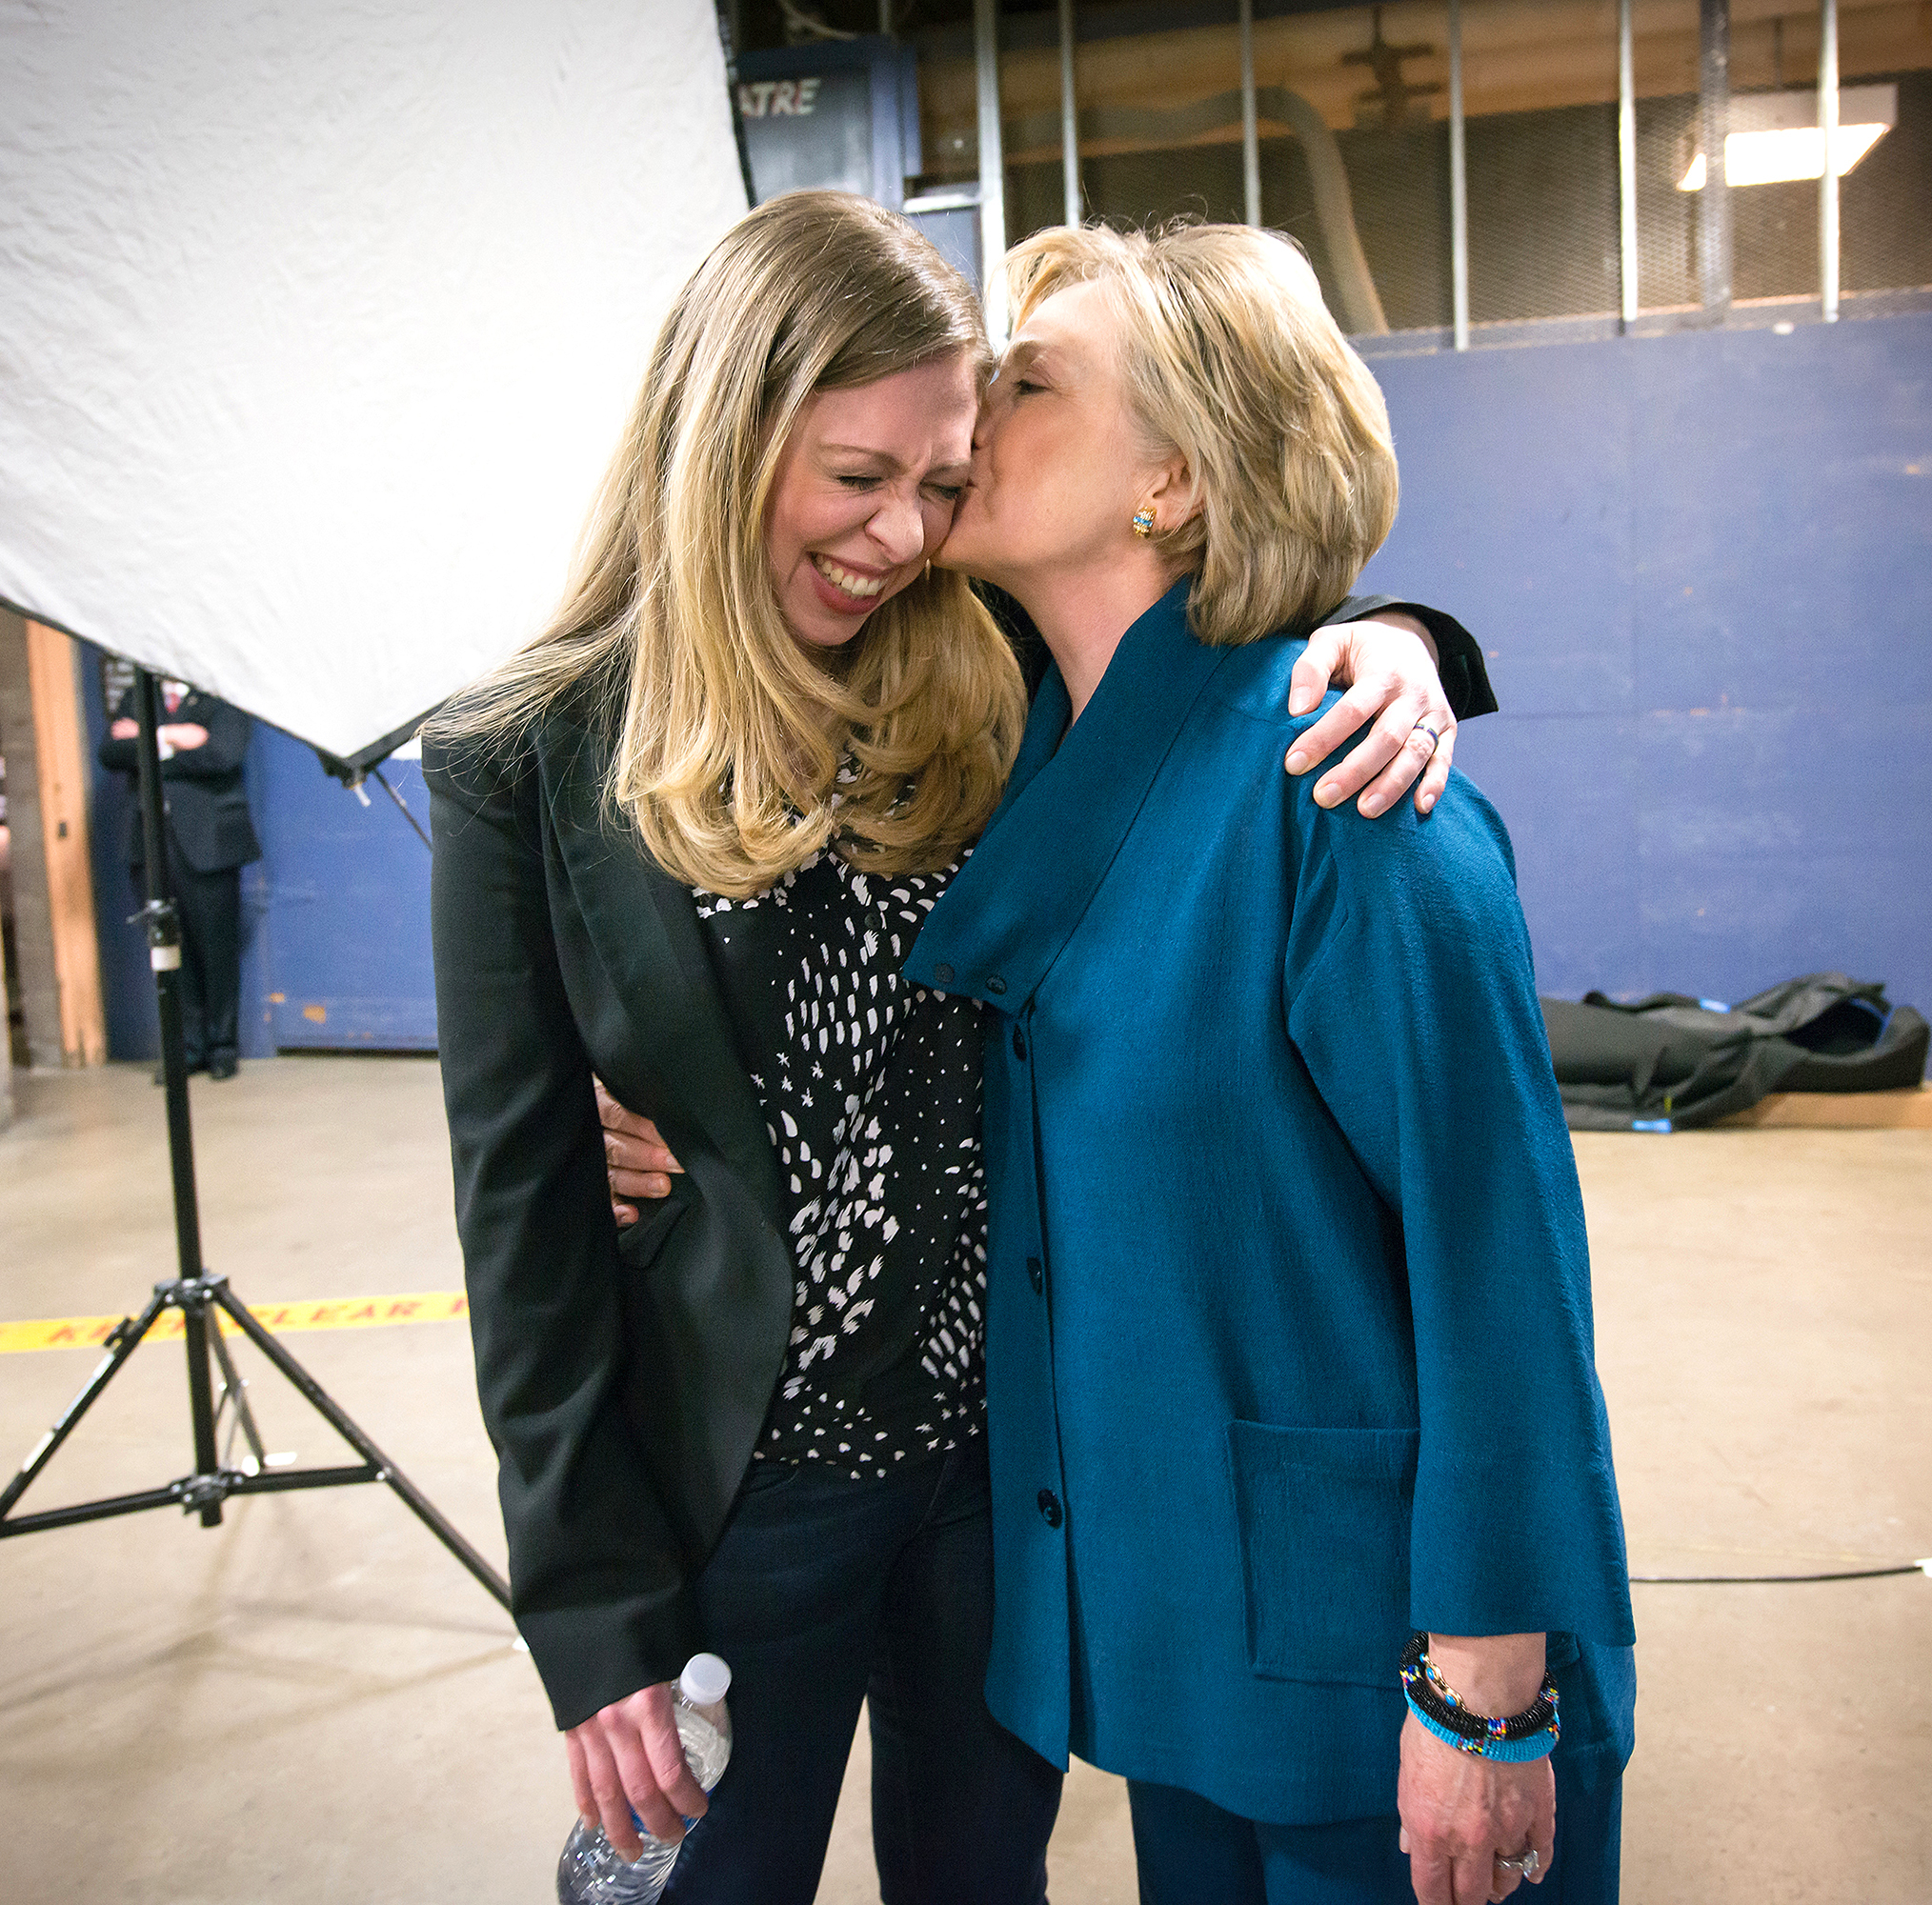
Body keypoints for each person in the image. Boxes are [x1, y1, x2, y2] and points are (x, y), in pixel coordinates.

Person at [426, 190, 1487, 1905]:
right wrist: (592, 1606)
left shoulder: (986, 659)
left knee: (985, 1878)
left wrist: (1400, 640)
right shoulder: (526, 757)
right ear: (723, 436)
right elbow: (519, 1226)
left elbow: (1209, 620)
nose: (901, 535)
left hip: (1007, 1477)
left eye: (940, 481)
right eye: (857, 478)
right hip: (735, 1492)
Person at [896, 223, 1638, 1905]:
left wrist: (1481, 1694)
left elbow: (1500, 1276)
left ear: (1167, 479)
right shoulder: (1052, 762)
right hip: (1192, 1644)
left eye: (1024, 383)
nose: (967, 419)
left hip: (1396, 1678)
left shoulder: (1348, 802)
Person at [98, 678, 260, 1080]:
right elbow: (111, 752)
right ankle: (185, 1049)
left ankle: (222, 1046)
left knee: (217, 949)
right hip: (150, 843)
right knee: (168, 951)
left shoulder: (224, 693)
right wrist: (175, 736)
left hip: (209, 844)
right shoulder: (140, 693)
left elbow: (223, 753)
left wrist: (147, 742)